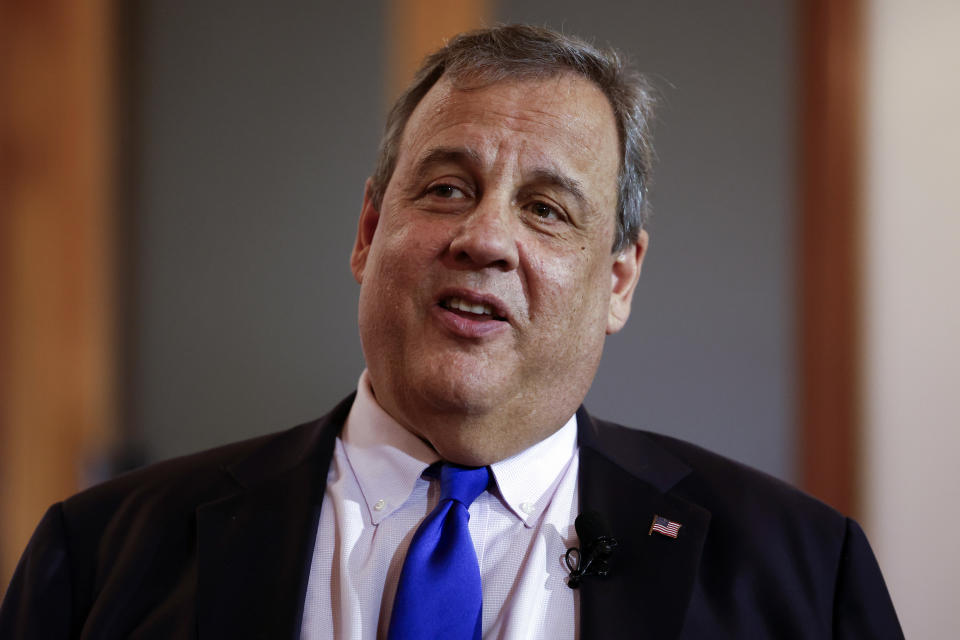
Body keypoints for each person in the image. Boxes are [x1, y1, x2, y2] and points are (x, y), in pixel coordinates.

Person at [0, 24, 901, 639]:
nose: (485, 239)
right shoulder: (98, 559)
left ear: (619, 278)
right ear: (366, 232)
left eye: (546, 210)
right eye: (445, 189)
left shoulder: (805, 580)